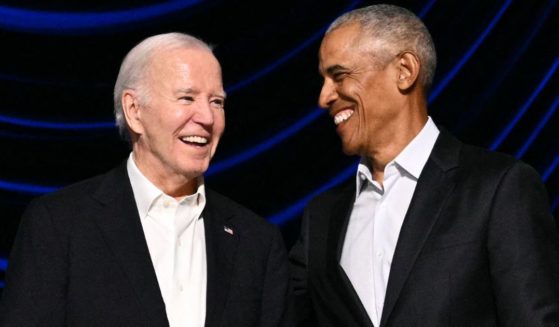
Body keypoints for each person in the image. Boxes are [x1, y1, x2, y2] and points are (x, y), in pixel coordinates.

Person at [288, 4, 559, 327]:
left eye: (339, 75)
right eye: (323, 79)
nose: (323, 97)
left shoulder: (498, 188)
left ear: (404, 70)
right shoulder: (321, 218)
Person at [0, 32, 292, 327]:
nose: (207, 116)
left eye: (217, 102)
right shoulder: (59, 225)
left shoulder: (258, 244)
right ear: (134, 110)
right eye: (187, 97)